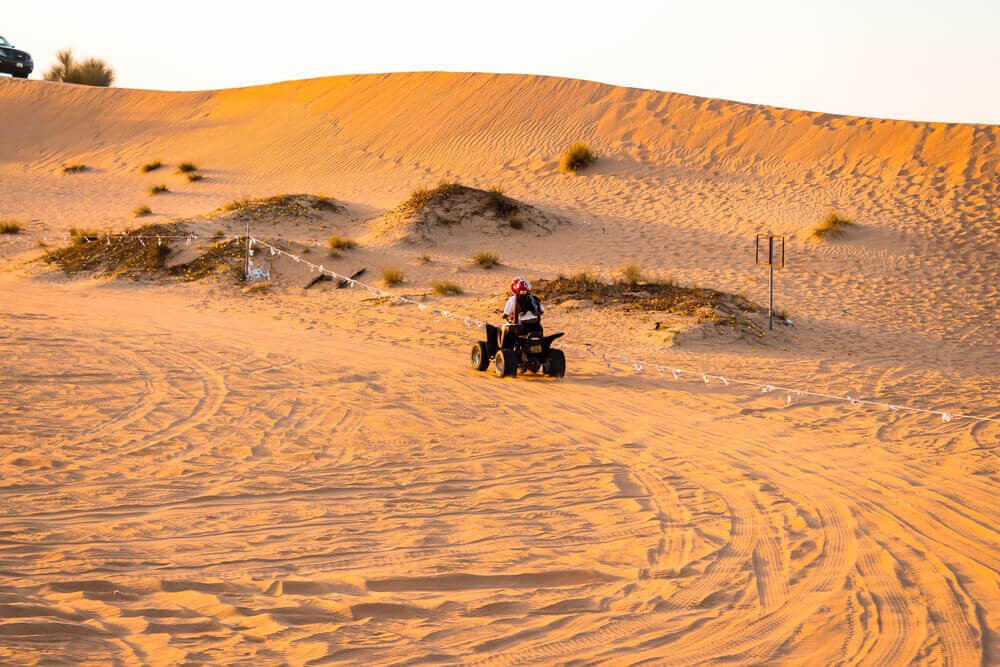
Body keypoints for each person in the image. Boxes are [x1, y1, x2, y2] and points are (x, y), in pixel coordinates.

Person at [500, 277, 544, 346]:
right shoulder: (535, 298)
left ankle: (504, 348)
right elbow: (541, 311)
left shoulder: (516, 299)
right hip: (538, 327)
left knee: (505, 328)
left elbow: (512, 319)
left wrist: (505, 316)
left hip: (523, 328)